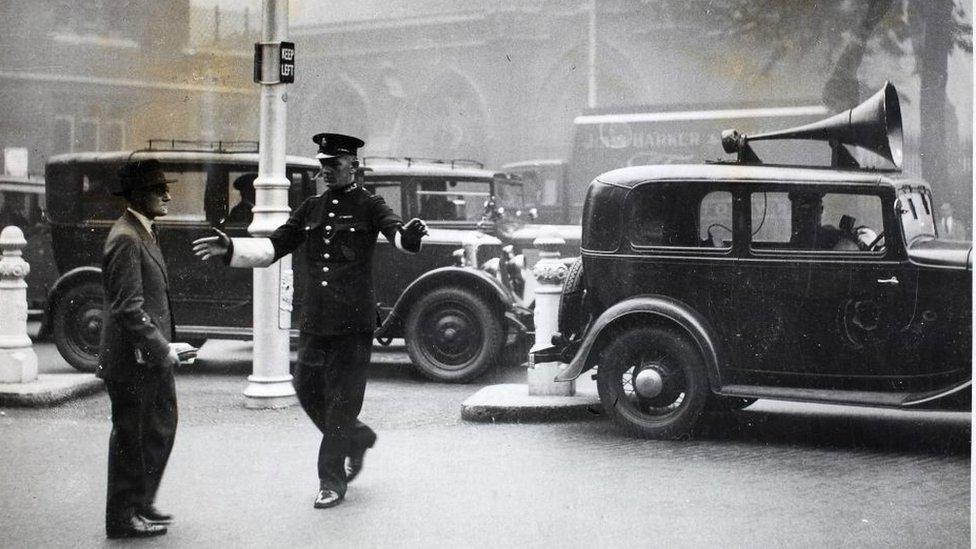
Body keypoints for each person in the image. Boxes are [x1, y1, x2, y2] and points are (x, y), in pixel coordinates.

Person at [191, 133, 428, 509]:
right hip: (316, 319)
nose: (326, 172)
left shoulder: (371, 204)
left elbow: (395, 232)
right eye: (322, 166)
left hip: (353, 323)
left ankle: (330, 481)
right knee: (305, 387)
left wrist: (409, 236)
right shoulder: (312, 207)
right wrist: (231, 249)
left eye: (333, 165)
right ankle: (358, 437)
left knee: (341, 403)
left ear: (354, 166)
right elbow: (275, 246)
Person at [97, 159, 182, 539]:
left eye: (165, 187)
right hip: (132, 361)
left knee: (159, 427)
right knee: (132, 435)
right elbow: (128, 308)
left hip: (147, 356)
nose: (167, 194)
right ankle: (122, 516)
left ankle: (141, 502)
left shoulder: (142, 231)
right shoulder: (126, 237)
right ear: (135, 196)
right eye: (156, 189)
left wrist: (165, 345)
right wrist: (161, 349)